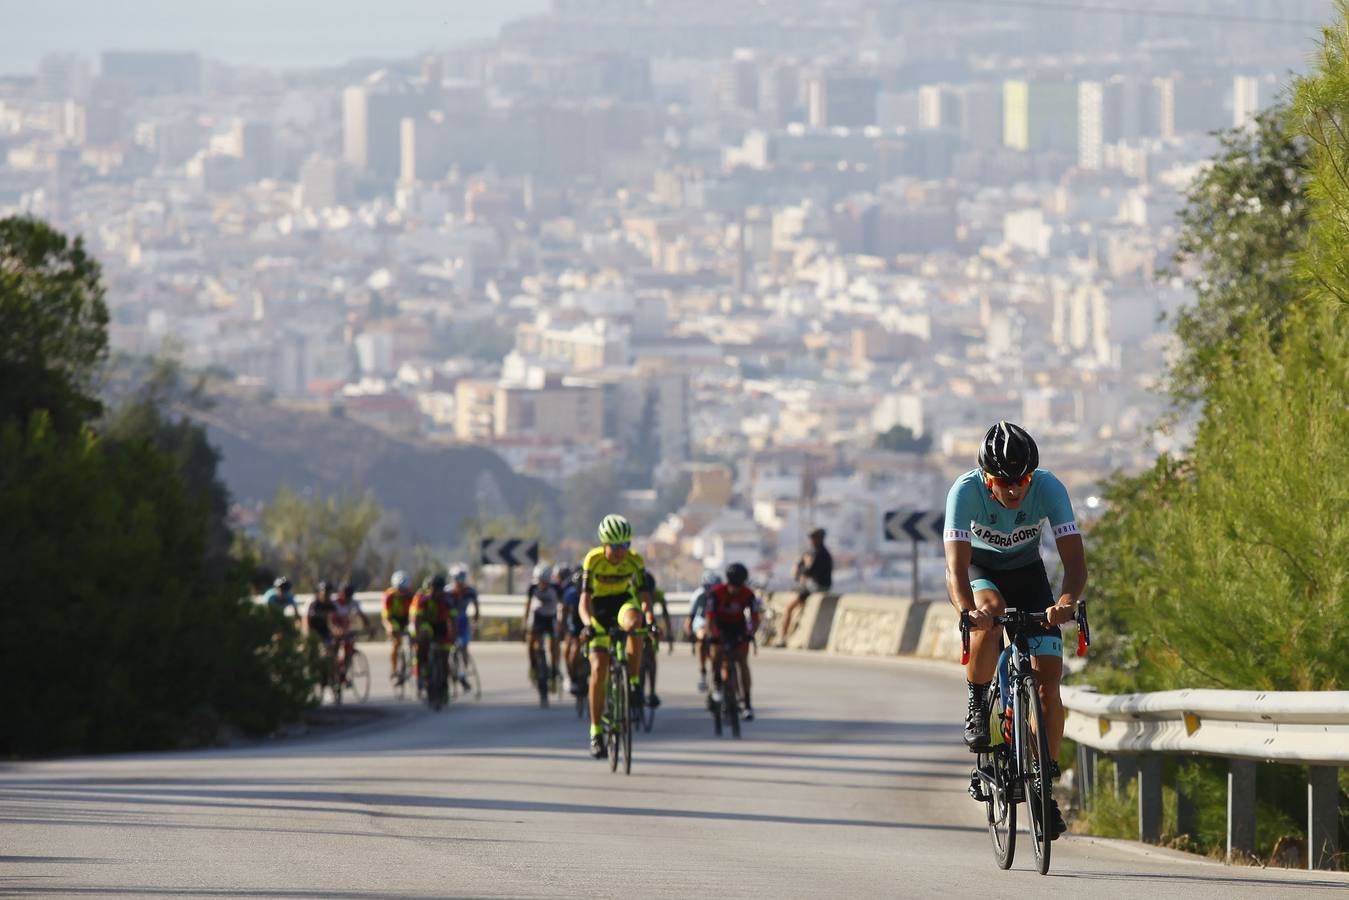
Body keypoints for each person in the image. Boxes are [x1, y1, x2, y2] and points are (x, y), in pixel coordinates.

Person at [943, 421, 1087, 841]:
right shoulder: (964, 491)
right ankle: (977, 701)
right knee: (991, 613)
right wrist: (967, 612)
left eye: (1021, 480)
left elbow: (1074, 563)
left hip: (1028, 575)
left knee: (1048, 687)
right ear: (986, 477)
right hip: (981, 571)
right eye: (1003, 481)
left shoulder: (1049, 488)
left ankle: (1044, 783)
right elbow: (955, 569)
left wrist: (1065, 603)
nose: (1013, 490)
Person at [578, 514, 654, 758]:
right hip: (598, 609)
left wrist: (650, 620)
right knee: (599, 667)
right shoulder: (594, 560)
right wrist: (588, 624)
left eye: (626, 545)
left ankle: (632, 683)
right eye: (617, 546)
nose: (622, 551)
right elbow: (584, 602)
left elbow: (643, 597)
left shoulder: (634, 561)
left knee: (635, 624)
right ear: (604, 544)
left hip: (622, 603)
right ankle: (596, 731)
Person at [706, 562, 761, 720]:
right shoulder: (716, 593)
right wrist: (713, 635)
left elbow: (755, 618)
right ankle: (717, 685)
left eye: (738, 586)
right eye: (732, 585)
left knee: (743, 662)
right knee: (717, 653)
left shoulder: (748, 594)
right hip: (720, 626)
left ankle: (747, 703)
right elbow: (709, 618)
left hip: (738, 628)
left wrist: (750, 633)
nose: (735, 589)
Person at [779, 528, 832, 646]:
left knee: (789, 607)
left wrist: (803, 568)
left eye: (813, 538)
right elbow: (801, 565)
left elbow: (809, 571)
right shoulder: (813, 552)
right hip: (812, 585)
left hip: (817, 586)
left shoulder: (820, 553)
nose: (811, 540)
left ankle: (783, 638)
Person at [409, 574, 456, 699]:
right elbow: (417, 620)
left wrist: (453, 635)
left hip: (441, 627)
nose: (436, 592)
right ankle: (423, 669)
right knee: (423, 640)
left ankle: (444, 689)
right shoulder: (422, 599)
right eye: (434, 588)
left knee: (445, 658)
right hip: (426, 625)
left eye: (439, 588)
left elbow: (452, 619)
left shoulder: (448, 600)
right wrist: (418, 637)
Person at [522, 563, 562, 699]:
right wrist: (525, 622)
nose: (542, 584)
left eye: (545, 581)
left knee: (554, 645)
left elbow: (562, 606)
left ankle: (555, 669)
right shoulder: (532, 587)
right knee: (532, 643)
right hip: (537, 618)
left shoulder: (556, 588)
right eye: (540, 581)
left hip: (551, 618)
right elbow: (527, 605)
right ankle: (534, 665)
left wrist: (561, 624)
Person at [684, 570, 721, 693]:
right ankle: (702, 671)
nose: (712, 590)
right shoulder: (698, 595)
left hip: (716, 620)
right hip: (702, 620)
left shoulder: (721, 594)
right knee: (702, 635)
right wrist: (690, 633)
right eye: (709, 587)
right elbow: (691, 617)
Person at [447, 564, 479, 692]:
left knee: (464, 648)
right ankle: (451, 671)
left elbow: (477, 609)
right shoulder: (447, 592)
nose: (460, 583)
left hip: (463, 622)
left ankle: (462, 673)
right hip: (450, 622)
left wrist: (475, 623)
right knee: (449, 649)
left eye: (462, 580)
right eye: (457, 580)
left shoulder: (470, 591)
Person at [332, 581, 372, 682]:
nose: (348, 598)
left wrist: (368, 628)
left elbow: (362, 616)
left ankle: (344, 671)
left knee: (349, 649)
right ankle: (333, 666)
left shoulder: (354, 602)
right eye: (346, 595)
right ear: (341, 594)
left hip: (346, 629)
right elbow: (330, 620)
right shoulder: (334, 603)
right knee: (334, 648)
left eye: (350, 596)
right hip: (335, 629)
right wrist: (336, 630)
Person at [382, 571, 415, 684]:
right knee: (396, 643)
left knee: (414, 640)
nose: (402, 593)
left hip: (407, 619)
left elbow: (415, 614)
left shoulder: (411, 595)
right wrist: (389, 627)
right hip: (394, 620)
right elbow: (385, 617)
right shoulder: (389, 595)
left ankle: (413, 666)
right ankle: (394, 671)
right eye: (400, 590)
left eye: (404, 590)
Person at [559, 567, 587, 696]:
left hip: (588, 623)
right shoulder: (570, 594)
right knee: (571, 652)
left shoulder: (591, 593)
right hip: (574, 625)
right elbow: (563, 612)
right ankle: (571, 677)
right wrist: (563, 628)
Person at [305, 581, 339, 671]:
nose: (327, 595)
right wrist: (308, 634)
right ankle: (309, 668)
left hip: (324, 630)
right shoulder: (313, 604)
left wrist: (335, 629)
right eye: (325, 593)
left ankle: (332, 670)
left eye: (329, 593)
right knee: (309, 650)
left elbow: (333, 621)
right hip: (312, 629)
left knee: (331, 646)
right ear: (319, 592)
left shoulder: (331, 604)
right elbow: (306, 620)